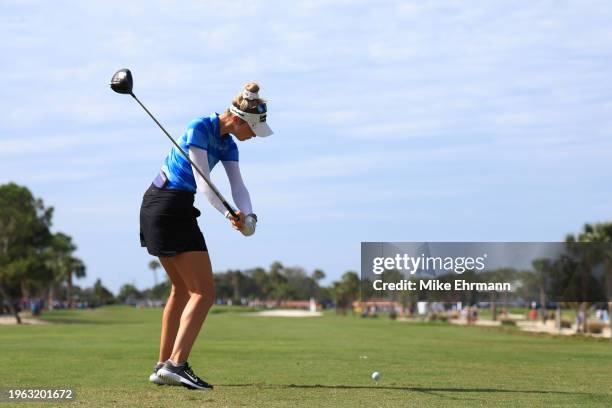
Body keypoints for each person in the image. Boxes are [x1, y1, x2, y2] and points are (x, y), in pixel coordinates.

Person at [139, 82, 272, 390]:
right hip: (168, 204)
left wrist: (248, 216)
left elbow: (237, 186)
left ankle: (162, 366)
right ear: (239, 120)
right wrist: (230, 216)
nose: (253, 136)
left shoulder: (229, 144)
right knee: (205, 293)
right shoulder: (200, 127)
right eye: (252, 129)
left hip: (162, 205)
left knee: (182, 290)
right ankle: (176, 365)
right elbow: (203, 182)